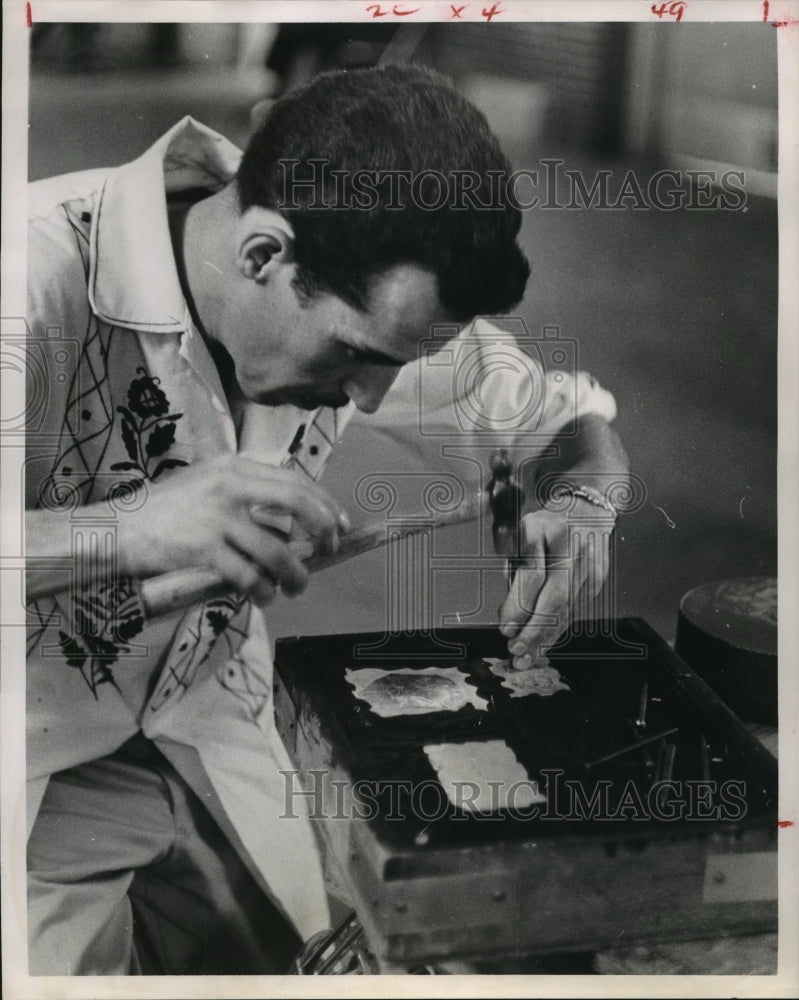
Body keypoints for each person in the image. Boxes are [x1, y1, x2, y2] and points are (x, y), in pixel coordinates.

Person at [24, 64, 628, 975]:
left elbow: (573, 432)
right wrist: (131, 526)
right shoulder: (27, 275)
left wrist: (584, 507)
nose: (372, 396)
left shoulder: (370, 288)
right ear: (265, 254)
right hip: (33, 761)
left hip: (211, 720)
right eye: (353, 355)